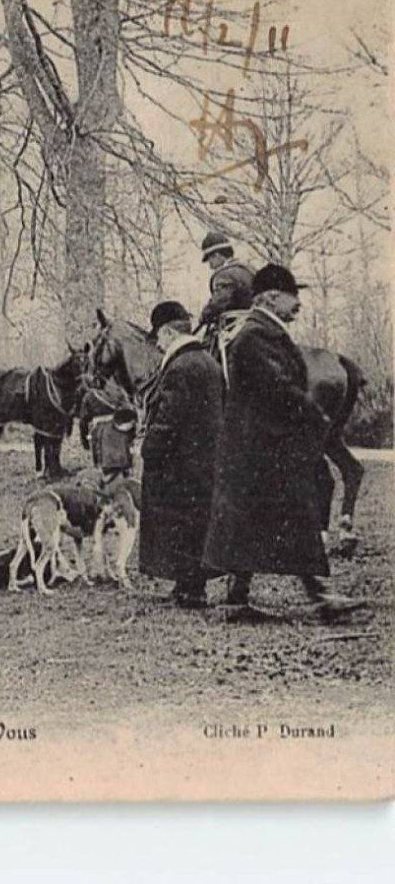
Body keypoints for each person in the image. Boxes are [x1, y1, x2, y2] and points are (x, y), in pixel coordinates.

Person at [202, 265, 363, 617]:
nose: (299, 304)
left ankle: (239, 598)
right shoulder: (253, 337)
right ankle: (320, 598)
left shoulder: (264, 333)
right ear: (271, 297)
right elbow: (278, 388)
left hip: (262, 450)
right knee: (297, 518)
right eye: (294, 296)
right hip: (262, 451)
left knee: (256, 523)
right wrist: (314, 413)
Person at [137, 302, 224, 608]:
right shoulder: (208, 362)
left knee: (179, 524)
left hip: (179, 464)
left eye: (159, 337)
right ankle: (189, 586)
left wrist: (150, 449)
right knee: (195, 525)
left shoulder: (179, 367)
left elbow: (169, 419)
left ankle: (190, 591)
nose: (158, 344)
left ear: (168, 332)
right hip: (204, 462)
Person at [197, 230, 255, 329]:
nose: (210, 266)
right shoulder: (249, 270)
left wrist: (204, 315)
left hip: (235, 327)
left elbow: (219, 301)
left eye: (210, 260)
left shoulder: (225, 274)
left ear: (217, 255)